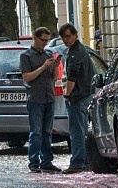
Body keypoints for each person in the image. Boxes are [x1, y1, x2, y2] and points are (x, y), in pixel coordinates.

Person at [20, 26, 60, 173]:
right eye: (43, 40)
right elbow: (26, 77)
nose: (45, 43)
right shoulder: (26, 56)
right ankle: (34, 161)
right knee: (36, 132)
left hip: (49, 97)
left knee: (47, 132)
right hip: (35, 98)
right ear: (35, 38)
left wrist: (55, 67)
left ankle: (47, 161)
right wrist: (43, 67)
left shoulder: (48, 54)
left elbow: (53, 78)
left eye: (47, 40)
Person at [59, 23, 94, 173]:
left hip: (78, 97)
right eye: (63, 37)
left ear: (75, 35)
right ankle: (84, 160)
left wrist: (67, 94)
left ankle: (78, 162)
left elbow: (72, 77)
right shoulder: (81, 50)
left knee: (77, 131)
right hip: (84, 94)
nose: (65, 40)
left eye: (68, 36)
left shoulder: (75, 53)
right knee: (82, 130)